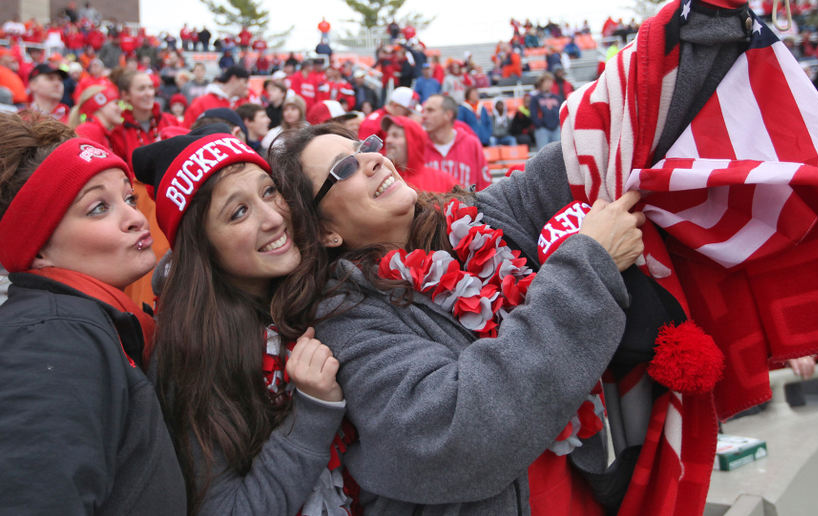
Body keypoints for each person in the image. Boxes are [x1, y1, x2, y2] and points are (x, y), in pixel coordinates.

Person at [273, 122, 642, 514]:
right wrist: (588, 268)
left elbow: (596, 137)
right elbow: (464, 432)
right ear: (327, 231)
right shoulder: (344, 322)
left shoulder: (480, 215)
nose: (374, 159)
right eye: (344, 168)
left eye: (366, 146)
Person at [0, 112, 186, 513]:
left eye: (128, 198)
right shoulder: (45, 341)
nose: (135, 217)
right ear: (40, 248)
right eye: (99, 207)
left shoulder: (81, 327)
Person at [132, 128, 348, 514]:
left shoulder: (324, 282)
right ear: (204, 250)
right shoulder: (191, 353)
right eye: (238, 213)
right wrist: (312, 412)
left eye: (269, 191)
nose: (273, 219)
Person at [420, 94, 491, 190]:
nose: (424, 116)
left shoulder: (471, 144)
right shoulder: (418, 145)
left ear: (448, 115)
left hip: (466, 204)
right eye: (424, 111)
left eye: (430, 111)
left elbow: (485, 186)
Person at [383, 114, 458, 192]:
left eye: (395, 136)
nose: (388, 140)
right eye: (388, 135)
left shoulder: (444, 181)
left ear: (412, 142)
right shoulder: (381, 179)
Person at [183, 66, 250, 127]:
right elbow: (187, 129)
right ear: (234, 79)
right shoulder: (202, 102)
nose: (247, 86)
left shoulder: (243, 103)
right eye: (245, 82)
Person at [70, 83, 124, 150]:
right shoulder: (88, 130)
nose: (121, 109)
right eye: (116, 103)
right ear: (100, 105)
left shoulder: (101, 132)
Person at [529, 73, 562, 149]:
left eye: (550, 82)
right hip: (542, 129)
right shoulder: (535, 98)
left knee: (557, 153)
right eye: (546, 82)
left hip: (556, 129)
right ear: (541, 83)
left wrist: (557, 123)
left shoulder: (557, 97)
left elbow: (560, 112)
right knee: (543, 154)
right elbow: (533, 113)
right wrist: (539, 124)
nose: (548, 84)